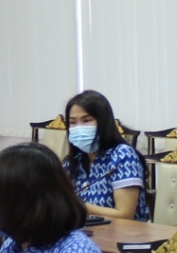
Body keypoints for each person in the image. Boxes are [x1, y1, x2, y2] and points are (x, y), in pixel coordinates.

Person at [63, 89, 149, 221]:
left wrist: (78, 207)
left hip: (124, 235)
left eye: (87, 120)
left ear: (103, 122)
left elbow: (125, 215)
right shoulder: (74, 160)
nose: (79, 127)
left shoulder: (122, 155)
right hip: (85, 233)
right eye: (73, 122)